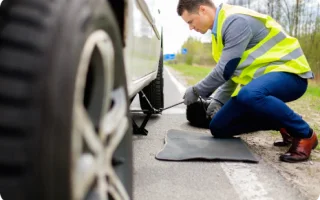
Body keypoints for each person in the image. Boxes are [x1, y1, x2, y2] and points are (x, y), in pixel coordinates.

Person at [177, 0, 318, 163]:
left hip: (291, 74)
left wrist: (196, 91)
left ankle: (305, 134)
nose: (191, 27)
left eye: (190, 21)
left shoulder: (235, 21)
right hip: (260, 86)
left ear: (203, 10)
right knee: (219, 127)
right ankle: (285, 123)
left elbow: (225, 69)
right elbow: (232, 72)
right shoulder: (219, 33)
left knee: (248, 95)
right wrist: (217, 100)